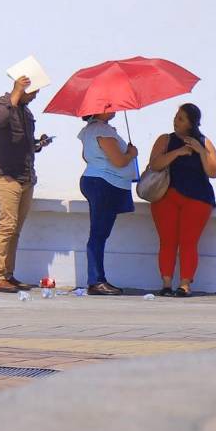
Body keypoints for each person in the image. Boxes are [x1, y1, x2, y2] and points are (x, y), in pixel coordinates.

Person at [0, 75, 54, 292]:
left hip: (26, 177)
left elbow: (21, 143)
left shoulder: (26, 112)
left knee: (15, 229)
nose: (35, 95)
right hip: (7, 177)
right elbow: (1, 120)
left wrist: (38, 144)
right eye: (33, 91)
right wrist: (16, 92)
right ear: (23, 87)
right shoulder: (1, 104)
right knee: (6, 227)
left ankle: (8, 274)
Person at [146, 103, 216, 297]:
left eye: (181, 119)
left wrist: (200, 150)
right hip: (166, 196)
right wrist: (177, 153)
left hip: (197, 197)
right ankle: (166, 283)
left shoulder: (204, 141)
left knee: (188, 241)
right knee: (167, 240)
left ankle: (185, 284)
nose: (175, 121)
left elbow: (213, 171)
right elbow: (154, 164)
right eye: (176, 117)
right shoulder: (165, 140)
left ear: (191, 123)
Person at [78, 111, 137, 295]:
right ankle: (96, 280)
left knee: (99, 232)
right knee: (99, 233)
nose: (115, 109)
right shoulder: (102, 130)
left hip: (98, 181)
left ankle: (96, 279)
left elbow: (87, 157)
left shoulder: (91, 129)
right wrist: (130, 153)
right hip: (104, 183)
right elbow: (119, 161)